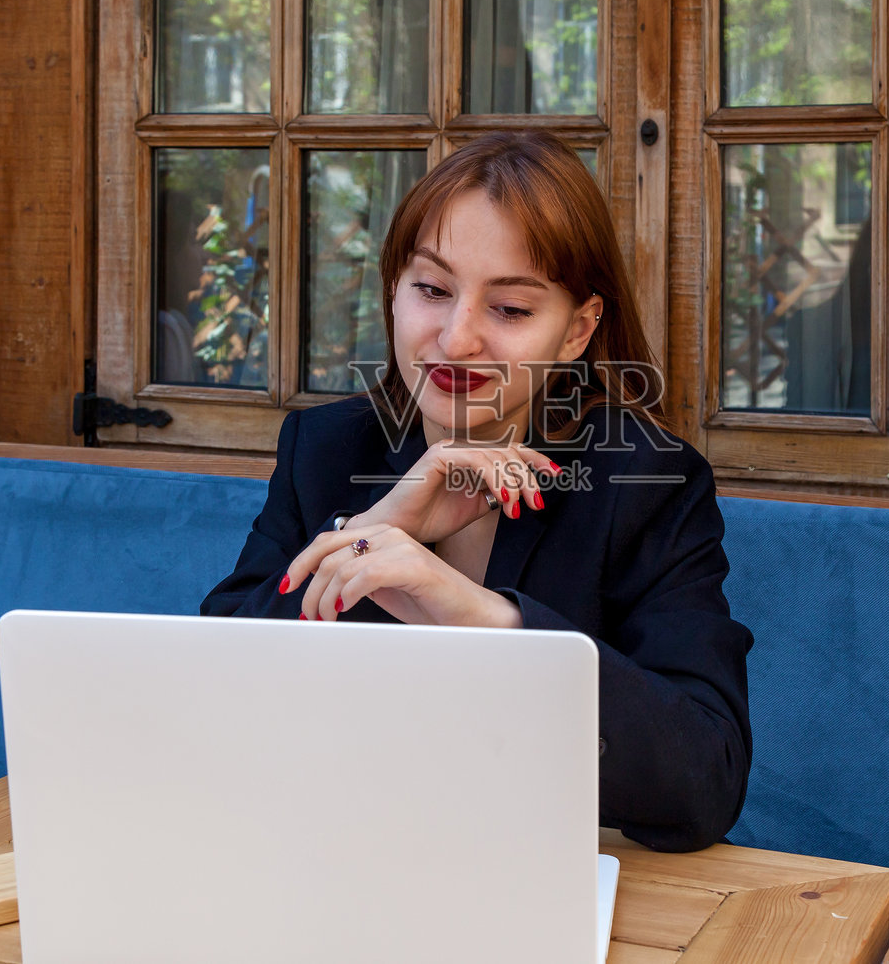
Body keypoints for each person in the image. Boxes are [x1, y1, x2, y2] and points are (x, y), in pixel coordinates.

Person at [201, 131, 753, 853]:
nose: (456, 339)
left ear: (577, 330)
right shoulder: (326, 449)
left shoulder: (646, 479)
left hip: (543, 875)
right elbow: (212, 698)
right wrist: (372, 528)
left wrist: (492, 623)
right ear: (393, 289)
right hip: (335, 854)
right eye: (432, 290)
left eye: (512, 309)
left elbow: (705, 783)